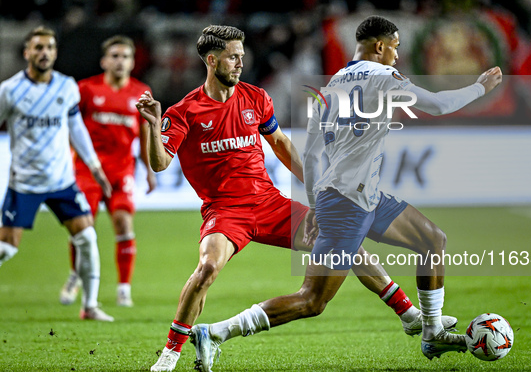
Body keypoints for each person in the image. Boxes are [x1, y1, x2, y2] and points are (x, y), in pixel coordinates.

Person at [136, 25, 457, 372]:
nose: (240, 62)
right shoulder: (184, 111)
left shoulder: (256, 98)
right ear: (212, 61)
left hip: (270, 203)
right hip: (226, 212)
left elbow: (283, 147)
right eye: (233, 57)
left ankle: (409, 314)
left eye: (242, 55)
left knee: (346, 245)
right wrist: (153, 127)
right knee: (208, 268)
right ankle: (171, 353)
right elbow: (159, 162)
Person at [0, 26, 114, 322]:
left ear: (55, 52)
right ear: (27, 53)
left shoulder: (66, 86)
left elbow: (77, 128)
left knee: (87, 237)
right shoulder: (10, 91)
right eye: (38, 48)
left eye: (49, 47)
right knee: (6, 249)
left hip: (62, 182)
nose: (44, 53)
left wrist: (95, 168)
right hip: (23, 183)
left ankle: (89, 306)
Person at [59, 35, 156, 308]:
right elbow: (69, 126)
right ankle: (75, 275)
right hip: (87, 171)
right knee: (82, 228)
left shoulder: (141, 93)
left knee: (124, 224)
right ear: (104, 61)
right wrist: (66, 159)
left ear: (133, 62)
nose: (119, 61)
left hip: (121, 170)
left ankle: (123, 288)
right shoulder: (86, 89)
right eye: (114, 55)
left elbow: (145, 135)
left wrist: (149, 171)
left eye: (125, 56)